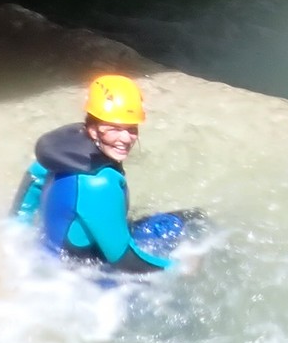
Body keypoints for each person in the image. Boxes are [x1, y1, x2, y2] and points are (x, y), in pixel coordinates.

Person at [11, 74, 180, 273]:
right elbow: (125, 260)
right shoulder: (99, 184)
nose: (126, 139)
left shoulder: (60, 155)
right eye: (114, 129)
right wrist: (180, 268)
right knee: (192, 223)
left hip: (53, 262)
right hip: (88, 277)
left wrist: (16, 239)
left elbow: (33, 182)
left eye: (131, 129)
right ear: (92, 129)